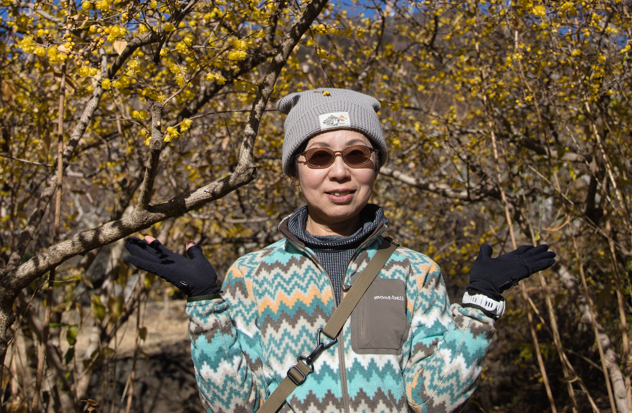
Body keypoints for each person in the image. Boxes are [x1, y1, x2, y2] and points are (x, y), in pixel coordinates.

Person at [125, 88, 555, 413]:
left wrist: (480, 304)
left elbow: (433, 401)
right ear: (295, 171)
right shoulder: (251, 275)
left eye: (356, 154)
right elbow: (232, 405)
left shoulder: (415, 272)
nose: (339, 172)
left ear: (376, 165)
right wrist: (205, 305)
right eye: (318, 157)